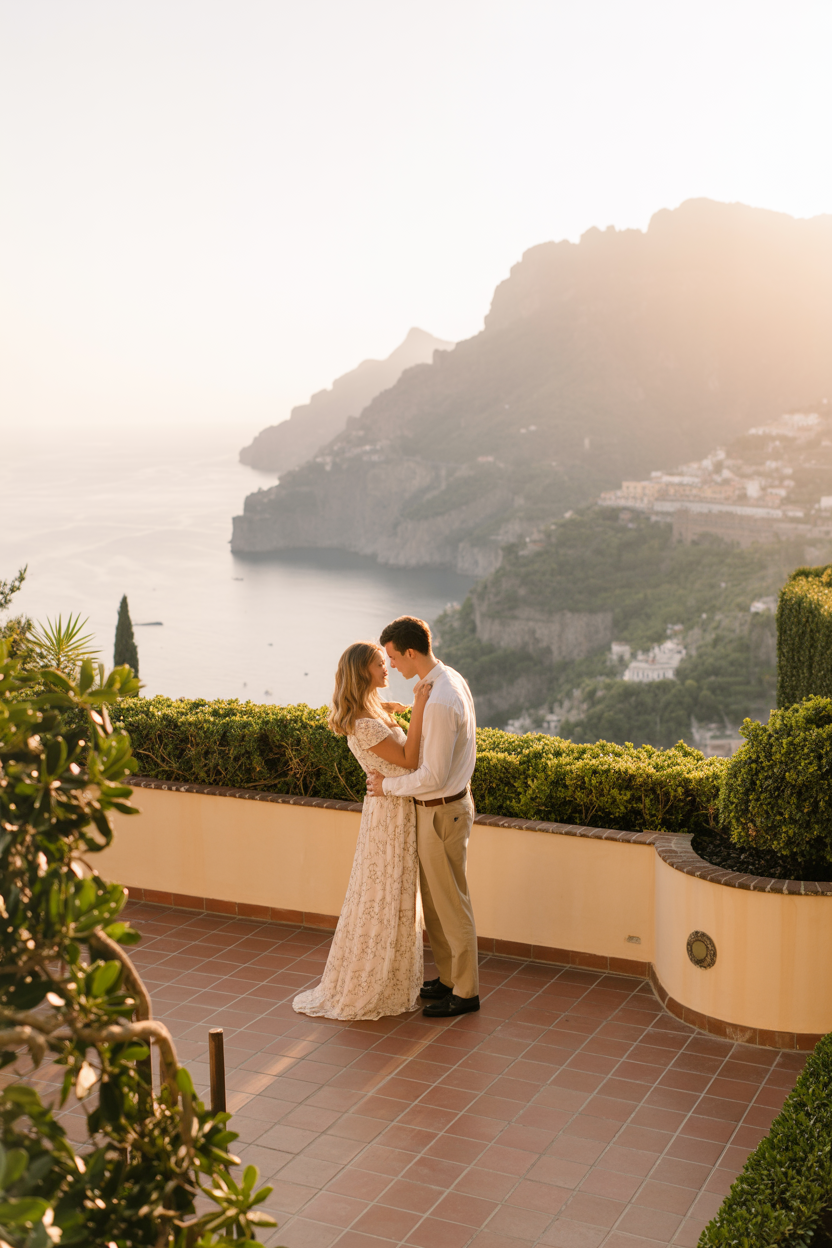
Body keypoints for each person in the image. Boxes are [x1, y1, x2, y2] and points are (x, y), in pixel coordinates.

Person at [292, 641, 431, 1020]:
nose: (387, 668)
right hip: (390, 814)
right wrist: (418, 706)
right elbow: (410, 759)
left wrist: (391, 707)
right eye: (378, 664)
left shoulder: (369, 712)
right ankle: (376, 980)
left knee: (394, 890)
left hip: (392, 806)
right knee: (386, 892)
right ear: (361, 672)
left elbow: (378, 725)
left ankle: (392, 974)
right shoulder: (365, 724)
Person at [367, 615, 480, 1018]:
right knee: (435, 903)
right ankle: (449, 978)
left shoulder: (441, 700)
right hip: (441, 811)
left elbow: (432, 775)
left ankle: (465, 992)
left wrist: (387, 786)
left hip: (441, 812)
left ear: (411, 652)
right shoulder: (444, 682)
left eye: (394, 658)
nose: (391, 665)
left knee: (451, 904)